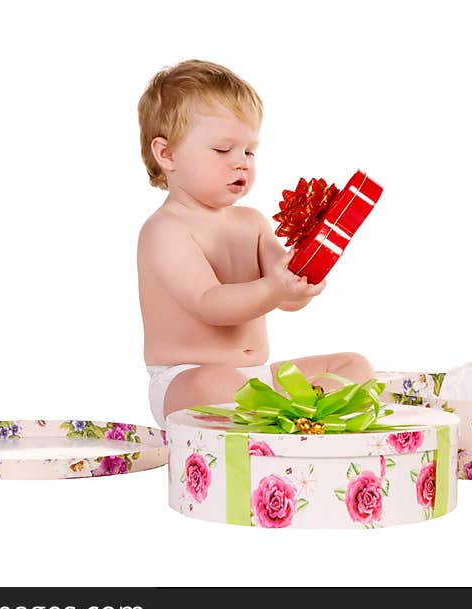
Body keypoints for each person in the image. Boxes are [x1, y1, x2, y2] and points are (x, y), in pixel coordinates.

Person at [136, 59, 373, 427]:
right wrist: (275, 287)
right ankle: (289, 414)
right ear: (166, 155)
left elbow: (287, 297)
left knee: (354, 365)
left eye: (249, 151)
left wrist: (303, 279)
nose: (241, 163)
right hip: (187, 380)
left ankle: (303, 415)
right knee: (216, 383)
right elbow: (209, 305)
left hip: (257, 377)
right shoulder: (165, 229)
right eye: (222, 150)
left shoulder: (252, 223)